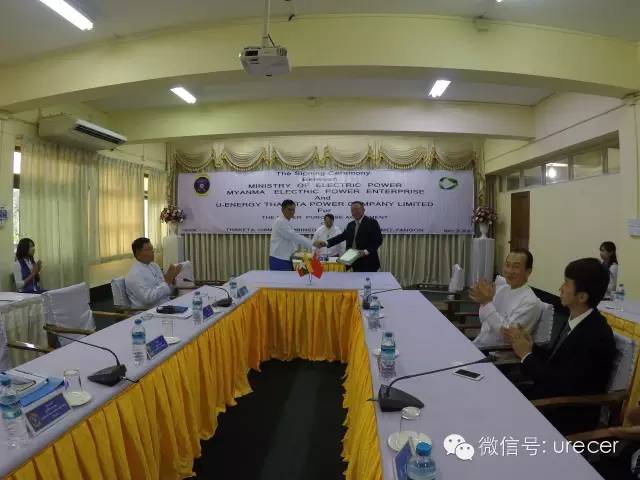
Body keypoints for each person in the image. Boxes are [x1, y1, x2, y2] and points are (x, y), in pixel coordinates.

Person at [504, 258, 616, 435]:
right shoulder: (577, 319)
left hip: (565, 413)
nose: (560, 288)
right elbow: (557, 362)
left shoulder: (595, 335)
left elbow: (560, 384)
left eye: (566, 284)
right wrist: (531, 347)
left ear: (582, 297)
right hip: (550, 398)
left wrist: (526, 355)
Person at [469, 249, 541, 348]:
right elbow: (484, 320)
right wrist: (483, 302)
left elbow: (507, 334)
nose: (509, 271)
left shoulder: (530, 302)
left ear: (528, 272)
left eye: (516, 267)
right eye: (507, 265)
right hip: (479, 343)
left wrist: (486, 303)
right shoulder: (502, 289)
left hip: (495, 352)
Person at [315, 201, 383, 272]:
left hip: (368, 261)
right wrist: (326, 243)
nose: (354, 212)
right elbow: (341, 237)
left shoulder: (372, 223)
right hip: (353, 261)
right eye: (352, 210)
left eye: (357, 209)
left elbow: (378, 241)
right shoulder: (350, 225)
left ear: (363, 210)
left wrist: (365, 252)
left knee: (367, 279)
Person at [125, 237, 182, 308]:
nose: (152, 251)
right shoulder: (134, 274)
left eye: (152, 249)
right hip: (149, 311)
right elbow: (147, 299)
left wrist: (172, 280)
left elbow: (166, 291)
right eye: (148, 249)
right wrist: (167, 281)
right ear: (138, 253)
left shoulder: (154, 266)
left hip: (165, 304)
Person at [269, 199, 315, 271]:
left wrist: (296, 252)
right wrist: (313, 244)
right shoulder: (280, 222)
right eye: (289, 209)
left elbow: (291, 240)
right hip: (279, 260)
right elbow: (294, 237)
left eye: (293, 210)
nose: (292, 212)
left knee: (305, 271)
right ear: (282, 210)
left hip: (287, 258)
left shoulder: (286, 222)